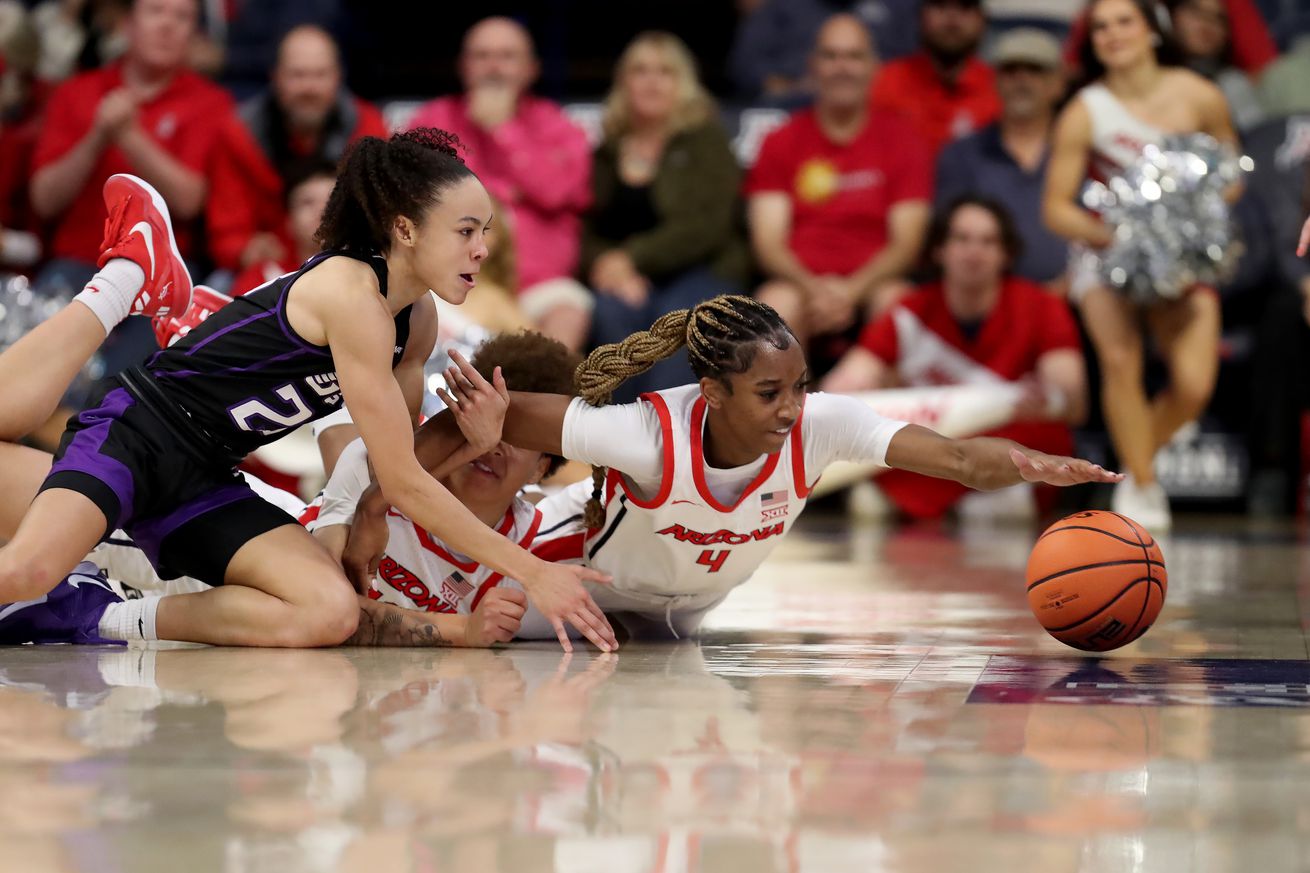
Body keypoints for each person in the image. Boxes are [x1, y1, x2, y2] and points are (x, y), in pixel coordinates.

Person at [0, 129, 617, 653]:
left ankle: (97, 616)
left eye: (484, 231)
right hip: (142, 432)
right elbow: (407, 479)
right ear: (405, 229)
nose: (483, 249)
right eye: (464, 231)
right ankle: (132, 275)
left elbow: (388, 460)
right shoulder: (352, 296)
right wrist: (535, 573)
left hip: (209, 470)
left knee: (329, 611)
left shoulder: (418, 319)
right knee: (26, 569)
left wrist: (376, 507)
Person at [344, 295, 1120, 640]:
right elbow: (503, 407)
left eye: (801, 387)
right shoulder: (646, 437)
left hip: (698, 608)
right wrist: (387, 492)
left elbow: (952, 456)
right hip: (608, 591)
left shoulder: (823, 425)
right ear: (711, 392)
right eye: (769, 392)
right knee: (475, 618)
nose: (791, 409)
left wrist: (1027, 463)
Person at [0, 330, 581, 649]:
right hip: (229, 543)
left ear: (546, 465)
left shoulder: (541, 538)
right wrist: (462, 632)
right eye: (486, 422)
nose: (496, 445)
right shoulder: (382, 466)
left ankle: (96, 611)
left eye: (517, 435)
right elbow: (336, 611)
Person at [1042, 0, 1239, 531]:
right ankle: (1145, 489)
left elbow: (1233, 174)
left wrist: (1180, 218)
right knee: (1121, 362)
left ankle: (1133, 464)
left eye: (1124, 21)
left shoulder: (1200, 95)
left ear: (1153, 30)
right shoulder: (1085, 108)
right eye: (1101, 26)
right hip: (1105, 257)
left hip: (1184, 257)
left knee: (1194, 384)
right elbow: (1057, 207)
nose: (1112, 34)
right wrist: (1122, 234)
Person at [822, 197, 1087, 519]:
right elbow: (843, 387)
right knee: (869, 502)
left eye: (988, 242)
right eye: (961, 239)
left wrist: (1048, 399)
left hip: (1008, 447)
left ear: (1005, 253)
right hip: (933, 450)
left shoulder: (1041, 307)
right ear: (940, 250)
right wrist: (874, 389)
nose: (974, 252)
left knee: (1005, 502)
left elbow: (1072, 401)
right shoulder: (910, 313)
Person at [27, 0, 231, 380]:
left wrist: (128, 136)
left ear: (193, 33)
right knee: (34, 373)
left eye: (181, 17)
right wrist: (97, 137)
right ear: (130, 24)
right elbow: (44, 199)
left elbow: (190, 201)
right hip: (77, 265)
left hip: (166, 278)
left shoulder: (211, 103)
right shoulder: (77, 92)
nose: (168, 25)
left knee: (128, 388)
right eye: (156, 12)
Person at [746, 14, 932, 369]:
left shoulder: (903, 139)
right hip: (799, 284)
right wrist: (814, 289)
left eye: (854, 56)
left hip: (875, 282)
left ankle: (889, 423)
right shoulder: (780, 141)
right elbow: (768, 243)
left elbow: (907, 244)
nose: (842, 67)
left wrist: (851, 292)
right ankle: (786, 423)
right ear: (813, 65)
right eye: (830, 56)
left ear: (873, 67)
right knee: (774, 305)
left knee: (898, 303)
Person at [406, 16, 593, 352]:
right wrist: (513, 191)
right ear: (463, 66)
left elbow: (559, 191)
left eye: (507, 56)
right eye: (482, 56)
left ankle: (542, 401)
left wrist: (501, 129)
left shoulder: (556, 125)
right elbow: (414, 195)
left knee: (569, 310)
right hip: (451, 279)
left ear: (531, 68)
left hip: (536, 286)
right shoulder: (432, 120)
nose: (493, 67)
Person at [582, 31, 750, 402]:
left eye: (665, 72)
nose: (652, 81)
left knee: (678, 321)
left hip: (704, 268)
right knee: (611, 312)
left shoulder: (706, 138)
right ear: (624, 82)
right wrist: (606, 263)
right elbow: (588, 225)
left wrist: (632, 257)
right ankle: (617, 434)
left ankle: (667, 434)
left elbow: (707, 227)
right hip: (628, 276)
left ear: (683, 83)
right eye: (640, 71)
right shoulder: (609, 148)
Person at [206, 24, 387, 277]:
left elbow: (381, 218)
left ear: (337, 77)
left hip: (350, 262)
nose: (309, 88)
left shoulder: (369, 131)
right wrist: (246, 250)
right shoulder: (238, 134)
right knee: (218, 287)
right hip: (268, 267)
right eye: (298, 75)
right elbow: (226, 234)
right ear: (276, 77)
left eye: (320, 75)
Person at [934, 28, 1069, 287]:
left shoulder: (1085, 153)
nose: (1021, 80)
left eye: (1035, 70)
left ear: (1059, 83)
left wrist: (1073, 285)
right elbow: (948, 246)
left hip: (1076, 300)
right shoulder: (960, 155)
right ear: (994, 81)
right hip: (986, 305)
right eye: (1010, 70)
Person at [868, 0, 1001, 160]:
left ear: (982, 19)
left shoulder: (1000, 88)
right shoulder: (884, 83)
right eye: (940, 6)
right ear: (921, 16)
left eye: (965, 7)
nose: (952, 19)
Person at [727, 0, 920, 102]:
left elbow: (918, 67)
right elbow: (743, 66)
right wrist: (791, 86)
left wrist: (879, 82)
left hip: (881, 109)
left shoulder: (899, 6)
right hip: (794, 110)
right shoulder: (781, 7)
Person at [229, 161, 337, 296]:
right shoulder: (264, 278)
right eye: (308, 202)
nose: (321, 211)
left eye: (332, 202)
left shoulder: (366, 275)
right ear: (288, 221)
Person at [1167, 0, 1264, 129]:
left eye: (1218, 19)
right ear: (1167, 16)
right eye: (1196, 12)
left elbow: (1257, 137)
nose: (1207, 24)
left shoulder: (1232, 83)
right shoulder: (1148, 78)